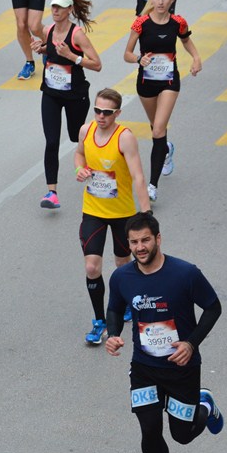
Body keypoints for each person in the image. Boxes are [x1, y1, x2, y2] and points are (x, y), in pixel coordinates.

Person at [104, 212, 225, 453]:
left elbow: (213, 307)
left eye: (145, 240)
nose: (140, 247)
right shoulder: (122, 277)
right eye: (134, 242)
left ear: (158, 239)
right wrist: (114, 334)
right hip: (144, 367)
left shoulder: (185, 274)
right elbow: (115, 309)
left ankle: (205, 405)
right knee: (149, 430)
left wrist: (191, 343)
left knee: (182, 435)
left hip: (182, 367)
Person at [73, 88, 152, 344]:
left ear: (117, 113)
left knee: (122, 264)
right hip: (93, 210)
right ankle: (100, 321)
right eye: (97, 110)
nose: (101, 116)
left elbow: (138, 176)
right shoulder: (86, 131)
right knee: (91, 266)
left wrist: (146, 215)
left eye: (107, 112)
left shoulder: (124, 138)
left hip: (122, 214)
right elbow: (79, 154)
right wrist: (79, 169)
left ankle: (125, 302)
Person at [122, 0, 202, 201]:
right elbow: (127, 54)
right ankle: (165, 148)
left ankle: (152, 186)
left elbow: (186, 41)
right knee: (156, 127)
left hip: (169, 82)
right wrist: (139, 59)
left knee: (158, 129)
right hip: (146, 83)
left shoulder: (178, 22)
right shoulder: (141, 23)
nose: (160, 2)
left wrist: (196, 58)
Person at [30, 0, 103, 210]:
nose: (55, 10)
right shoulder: (48, 30)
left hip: (75, 96)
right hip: (51, 93)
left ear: (69, 9)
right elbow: (52, 50)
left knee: (75, 137)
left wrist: (72, 56)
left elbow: (97, 64)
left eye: (60, 7)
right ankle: (52, 192)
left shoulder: (77, 35)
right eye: (53, 6)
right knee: (51, 142)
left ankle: (96, 169)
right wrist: (41, 48)